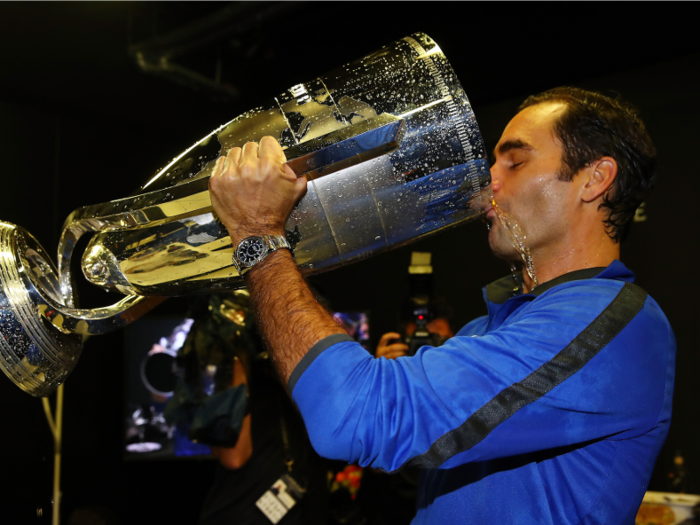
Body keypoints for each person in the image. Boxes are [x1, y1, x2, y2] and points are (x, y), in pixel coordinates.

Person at [207, 87, 675, 524]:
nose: (487, 179)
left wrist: (258, 234)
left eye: (513, 162)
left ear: (595, 179)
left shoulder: (616, 325)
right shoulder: (483, 331)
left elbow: (353, 414)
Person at [165, 292, 328, 525]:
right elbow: (234, 457)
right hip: (242, 512)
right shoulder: (230, 372)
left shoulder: (282, 373)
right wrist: (236, 357)